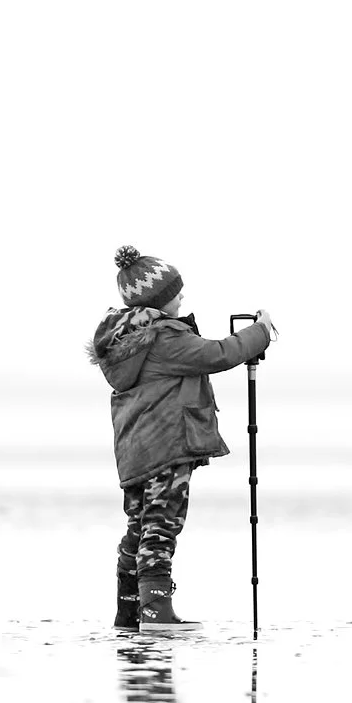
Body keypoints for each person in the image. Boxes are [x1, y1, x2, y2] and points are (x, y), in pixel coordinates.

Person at [88, 245, 275, 632]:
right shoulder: (163, 338)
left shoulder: (130, 341)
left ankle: (129, 610)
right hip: (167, 445)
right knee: (162, 523)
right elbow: (218, 354)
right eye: (177, 294)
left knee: (140, 523)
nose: (182, 299)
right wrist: (260, 331)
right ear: (159, 301)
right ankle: (156, 611)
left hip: (136, 449)